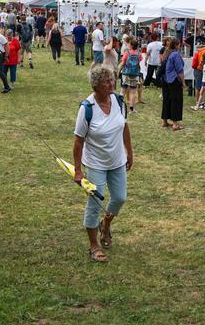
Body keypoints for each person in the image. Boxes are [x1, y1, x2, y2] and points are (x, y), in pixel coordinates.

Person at [73, 65, 133, 263]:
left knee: (120, 198)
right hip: (95, 163)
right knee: (94, 202)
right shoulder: (87, 108)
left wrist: (129, 152)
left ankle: (105, 224)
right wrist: (78, 170)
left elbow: (124, 127)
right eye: (107, 81)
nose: (112, 83)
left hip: (117, 161)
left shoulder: (118, 101)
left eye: (112, 79)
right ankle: (93, 246)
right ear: (96, 86)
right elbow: (78, 141)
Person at [161, 38, 185, 131]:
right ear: (176, 45)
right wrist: (183, 82)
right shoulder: (175, 54)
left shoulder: (166, 53)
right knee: (176, 100)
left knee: (166, 100)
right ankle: (175, 124)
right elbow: (180, 70)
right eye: (179, 44)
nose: (180, 46)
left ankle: (164, 121)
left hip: (165, 79)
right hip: (174, 79)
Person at [119, 39, 141, 113]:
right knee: (133, 92)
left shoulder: (127, 53)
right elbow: (139, 62)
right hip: (135, 74)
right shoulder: (139, 54)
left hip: (126, 73)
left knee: (122, 91)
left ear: (131, 45)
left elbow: (122, 63)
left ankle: (119, 107)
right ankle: (131, 109)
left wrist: (118, 72)